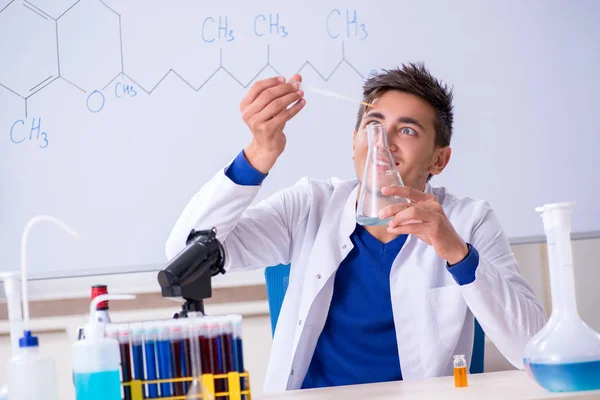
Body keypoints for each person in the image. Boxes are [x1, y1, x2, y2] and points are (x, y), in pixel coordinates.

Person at [165, 63, 547, 392]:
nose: (384, 143)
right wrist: (259, 153)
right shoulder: (310, 205)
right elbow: (185, 254)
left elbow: (533, 348)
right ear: (354, 143)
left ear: (439, 160)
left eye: (408, 131)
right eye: (374, 125)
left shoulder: (469, 221)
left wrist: (456, 253)